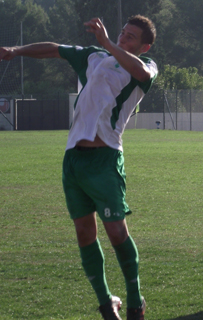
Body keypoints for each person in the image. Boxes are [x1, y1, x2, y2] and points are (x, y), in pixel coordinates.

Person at [0, 15, 157, 320]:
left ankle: (136, 302)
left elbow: (138, 70)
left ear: (144, 45)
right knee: (85, 233)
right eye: (123, 33)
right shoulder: (94, 56)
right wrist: (16, 50)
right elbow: (55, 49)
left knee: (116, 232)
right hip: (73, 160)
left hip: (105, 159)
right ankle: (105, 302)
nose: (124, 38)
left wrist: (110, 43)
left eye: (130, 37)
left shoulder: (146, 66)